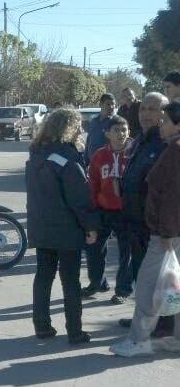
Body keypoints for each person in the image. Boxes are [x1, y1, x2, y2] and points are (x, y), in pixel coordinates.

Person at [111, 101, 180, 357]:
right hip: (171, 232)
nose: (159, 125)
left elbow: (172, 195)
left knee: (148, 288)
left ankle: (138, 341)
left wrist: (167, 233)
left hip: (166, 234)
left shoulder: (175, 150)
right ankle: (176, 339)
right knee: (174, 285)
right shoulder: (171, 147)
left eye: (164, 121)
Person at [26, 109, 100, 345]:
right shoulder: (67, 158)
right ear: (70, 128)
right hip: (66, 231)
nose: (81, 131)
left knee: (43, 277)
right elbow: (79, 198)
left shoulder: (36, 156)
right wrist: (90, 226)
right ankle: (75, 332)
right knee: (70, 281)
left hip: (41, 228)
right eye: (78, 126)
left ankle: (42, 326)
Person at [117, 93, 171, 329]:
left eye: (152, 109)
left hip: (154, 225)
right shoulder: (140, 140)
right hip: (134, 222)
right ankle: (144, 316)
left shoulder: (165, 144)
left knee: (160, 277)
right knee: (141, 275)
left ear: (163, 114)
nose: (146, 114)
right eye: (143, 110)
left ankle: (162, 323)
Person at [82, 115, 133, 304]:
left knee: (126, 252)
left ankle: (122, 290)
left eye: (124, 130)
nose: (121, 134)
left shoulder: (134, 152)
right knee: (93, 248)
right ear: (107, 134)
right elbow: (93, 183)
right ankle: (97, 282)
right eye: (117, 130)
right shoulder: (99, 155)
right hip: (102, 210)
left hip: (126, 212)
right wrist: (92, 208)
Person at [85, 93, 117, 164]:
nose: (111, 107)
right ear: (101, 104)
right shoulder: (93, 121)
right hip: (92, 163)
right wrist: (86, 161)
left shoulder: (115, 123)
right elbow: (89, 141)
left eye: (113, 104)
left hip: (107, 164)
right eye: (108, 104)